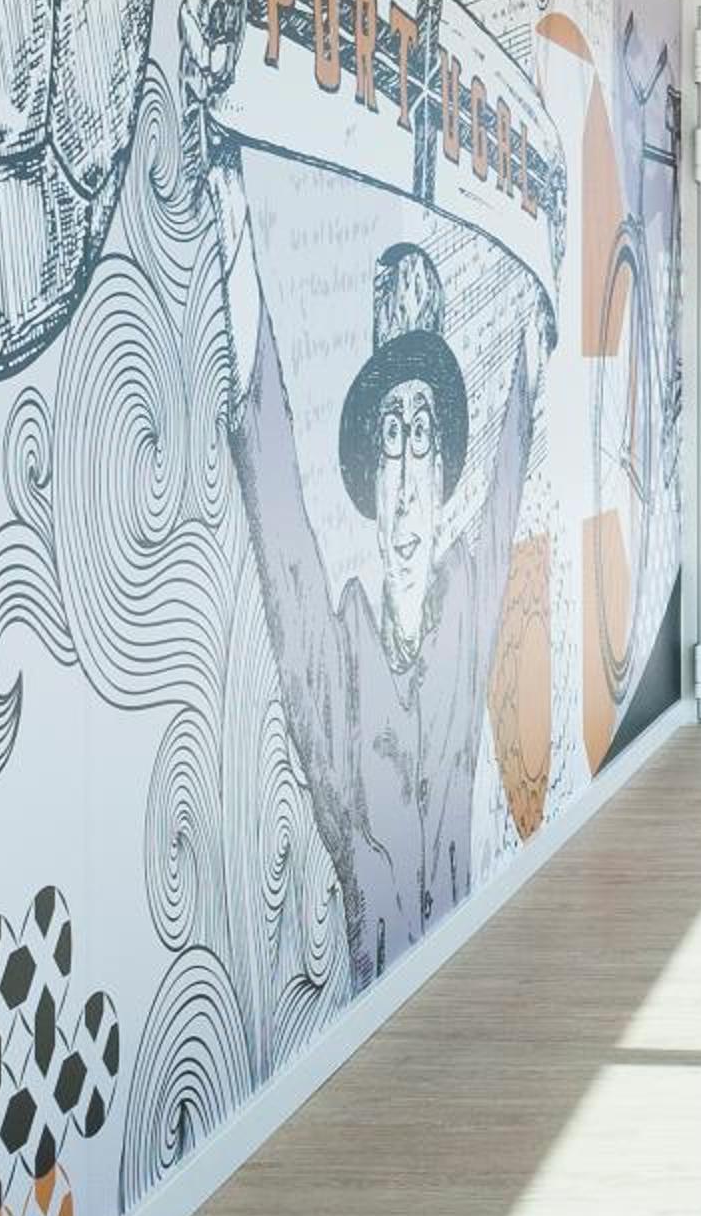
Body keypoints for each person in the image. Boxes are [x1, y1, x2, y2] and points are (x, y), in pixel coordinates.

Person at [221, 194, 535, 986]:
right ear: (367, 476)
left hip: (471, 972)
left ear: (443, 469)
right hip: (382, 1023)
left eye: (420, 439)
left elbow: (507, 485)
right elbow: (281, 517)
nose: (403, 485)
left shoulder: (467, 606)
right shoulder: (340, 666)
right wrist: (237, 227)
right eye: (389, 442)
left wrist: (534, 343)